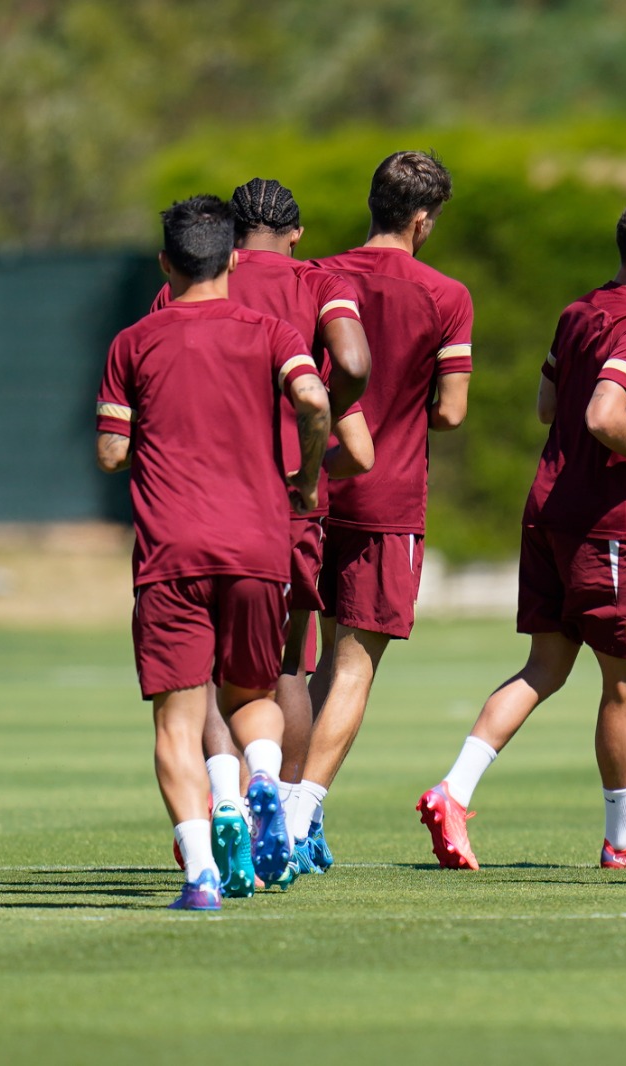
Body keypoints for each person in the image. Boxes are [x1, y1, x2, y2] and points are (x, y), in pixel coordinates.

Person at [417, 198, 626, 871]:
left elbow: (551, 404)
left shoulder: (580, 311)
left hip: (547, 505)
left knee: (545, 667)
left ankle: (453, 790)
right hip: (603, 521)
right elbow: (605, 414)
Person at [96, 195, 330, 910]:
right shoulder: (271, 331)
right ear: (233, 257)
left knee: (176, 715)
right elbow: (316, 402)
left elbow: (111, 452)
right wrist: (307, 478)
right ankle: (262, 780)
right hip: (258, 544)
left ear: (166, 263)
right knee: (253, 692)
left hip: (171, 549)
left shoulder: (132, 343)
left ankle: (201, 871)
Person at [152, 179, 373, 877]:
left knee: (205, 673)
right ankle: (289, 816)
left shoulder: (193, 285)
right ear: (297, 232)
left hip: (194, 501)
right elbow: (358, 362)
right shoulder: (317, 281)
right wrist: (323, 420)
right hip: (290, 501)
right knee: (285, 667)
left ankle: (224, 808)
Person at [282, 151, 473, 868]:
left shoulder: (316, 275)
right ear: (423, 220)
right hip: (389, 497)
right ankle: (301, 815)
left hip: (309, 490)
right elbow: (451, 412)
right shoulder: (447, 295)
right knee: (355, 665)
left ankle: (277, 795)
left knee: (297, 664)